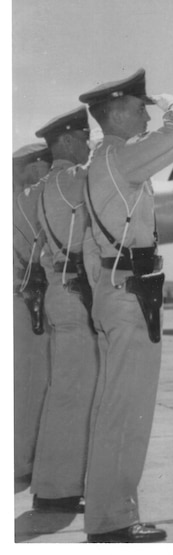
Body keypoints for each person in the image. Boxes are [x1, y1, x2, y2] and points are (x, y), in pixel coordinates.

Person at [79, 68, 173, 542]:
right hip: (130, 293)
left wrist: (104, 290)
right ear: (115, 112)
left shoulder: (100, 162)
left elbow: (89, 244)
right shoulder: (120, 157)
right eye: (138, 108)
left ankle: (112, 514)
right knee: (126, 413)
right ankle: (112, 521)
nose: (146, 115)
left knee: (116, 409)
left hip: (118, 290)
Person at [30, 106, 98, 514]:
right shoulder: (73, 180)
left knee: (65, 393)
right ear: (69, 142)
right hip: (74, 295)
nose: (90, 145)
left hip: (61, 291)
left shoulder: (46, 185)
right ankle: (58, 490)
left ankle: (57, 485)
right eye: (85, 139)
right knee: (73, 395)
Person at [13, 143, 52, 485]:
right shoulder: (23, 201)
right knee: (30, 385)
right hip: (23, 303)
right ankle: (21, 463)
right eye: (45, 164)